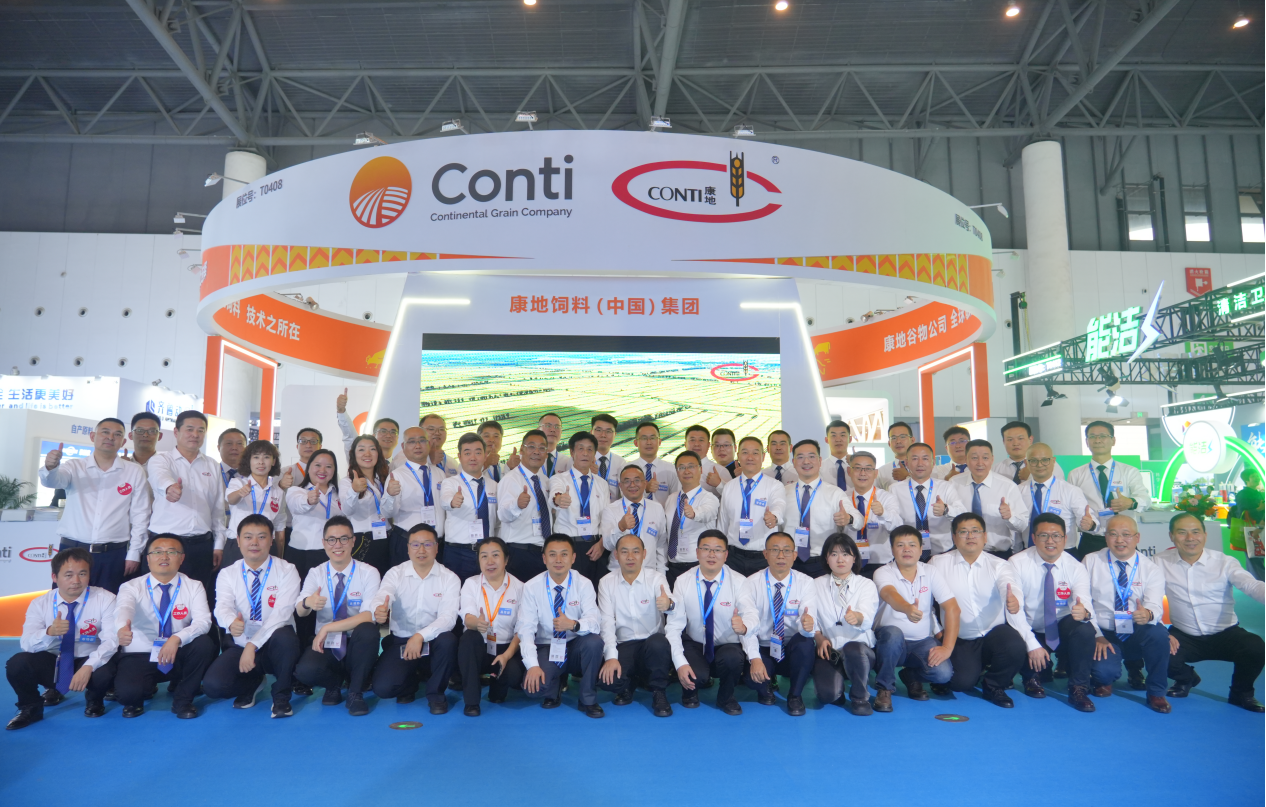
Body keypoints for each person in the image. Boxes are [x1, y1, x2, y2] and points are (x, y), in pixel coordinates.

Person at [1157, 513, 1266, 712]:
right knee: (1156, 647)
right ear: (1171, 536)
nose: (1190, 538)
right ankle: (1186, 678)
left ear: (1205, 535)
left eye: (1196, 532)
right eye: (1182, 532)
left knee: (1255, 646)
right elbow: (1148, 597)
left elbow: (1250, 584)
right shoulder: (1158, 562)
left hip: (1226, 634)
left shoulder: (1225, 562)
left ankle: (1241, 693)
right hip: (1184, 635)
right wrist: (1161, 631)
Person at [6, 548, 119, 729]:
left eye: (82, 574)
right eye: (68, 575)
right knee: (17, 664)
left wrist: (89, 666)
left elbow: (111, 640)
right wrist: (49, 632)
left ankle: (95, 699)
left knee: (104, 670)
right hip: (55, 659)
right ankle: (31, 707)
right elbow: (26, 643)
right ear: (54, 577)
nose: (76, 581)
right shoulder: (40, 603)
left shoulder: (105, 599)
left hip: (89, 657)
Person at [930, 513, 1034, 707]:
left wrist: (1013, 599)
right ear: (954, 537)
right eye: (963, 532)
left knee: (1015, 646)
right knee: (960, 683)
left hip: (993, 632)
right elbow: (926, 603)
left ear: (985, 537)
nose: (970, 536)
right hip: (959, 637)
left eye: (975, 531)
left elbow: (1008, 585)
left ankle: (994, 685)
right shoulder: (938, 563)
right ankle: (973, 670)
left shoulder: (999, 564)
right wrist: (936, 629)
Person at [204, 514, 301, 718]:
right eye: (248, 537)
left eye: (261, 537)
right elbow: (221, 606)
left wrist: (253, 644)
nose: (254, 543)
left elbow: (282, 613)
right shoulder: (228, 573)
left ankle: (281, 696)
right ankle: (253, 682)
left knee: (286, 637)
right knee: (214, 686)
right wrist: (230, 621)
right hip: (240, 642)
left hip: (274, 644)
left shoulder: (287, 570)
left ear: (271, 540)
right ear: (238, 541)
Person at [38, 418, 149, 593]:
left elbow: (141, 515)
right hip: (72, 550)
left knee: (111, 604)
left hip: (113, 554)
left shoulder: (134, 471)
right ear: (92, 436)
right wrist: (50, 467)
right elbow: (53, 481)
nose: (110, 437)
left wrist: (134, 553)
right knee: (66, 602)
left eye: (117, 434)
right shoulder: (75, 466)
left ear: (123, 441)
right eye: (105, 432)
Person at [113, 535, 217, 718]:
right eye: (157, 552)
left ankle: (183, 700)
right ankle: (146, 687)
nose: (164, 557)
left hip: (177, 651)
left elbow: (203, 621)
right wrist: (122, 626)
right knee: (128, 695)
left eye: (172, 552)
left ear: (181, 558)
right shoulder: (131, 586)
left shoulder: (194, 586)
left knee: (204, 644)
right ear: (148, 558)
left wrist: (176, 638)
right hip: (142, 652)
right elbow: (124, 608)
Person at [1082, 515, 1173, 713]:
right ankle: (1104, 678)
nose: (1120, 540)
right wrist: (1097, 634)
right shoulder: (1091, 561)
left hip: (1136, 628)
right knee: (1103, 673)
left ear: (1137, 538)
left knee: (1159, 634)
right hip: (1105, 632)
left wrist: (1148, 614)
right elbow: (1083, 602)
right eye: (1113, 534)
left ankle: (1156, 692)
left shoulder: (1150, 568)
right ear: (1106, 537)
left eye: (1126, 535)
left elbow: (1155, 605)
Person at [294, 515, 383, 716]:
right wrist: (308, 603)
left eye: (344, 539)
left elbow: (369, 615)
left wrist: (327, 627)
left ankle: (355, 693)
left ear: (353, 541)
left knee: (368, 631)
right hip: (327, 643)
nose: (338, 545)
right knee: (305, 671)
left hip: (356, 643)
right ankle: (334, 684)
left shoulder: (368, 572)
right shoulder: (316, 573)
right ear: (323, 542)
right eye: (331, 540)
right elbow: (300, 610)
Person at [1007, 513, 1097, 711]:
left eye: (1056, 535)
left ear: (1065, 538)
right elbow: (1015, 609)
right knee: (1012, 632)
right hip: (1030, 627)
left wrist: (1084, 612)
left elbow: (1084, 601)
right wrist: (1032, 645)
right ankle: (1031, 676)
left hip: (1060, 627)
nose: (1050, 541)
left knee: (1084, 629)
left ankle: (1079, 688)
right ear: (1033, 538)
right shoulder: (1016, 563)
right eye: (1043, 535)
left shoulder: (1075, 566)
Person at [369, 524, 461, 714]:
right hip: (402, 641)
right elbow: (384, 594)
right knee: (383, 689)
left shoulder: (449, 578)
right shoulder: (396, 573)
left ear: (436, 547)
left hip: (433, 642)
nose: (421, 550)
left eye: (427, 544)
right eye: (416, 544)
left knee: (448, 641)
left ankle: (436, 695)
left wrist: (420, 636)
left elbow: (448, 618)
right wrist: (379, 608)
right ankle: (410, 683)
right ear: (408, 548)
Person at [665, 531, 759, 714]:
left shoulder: (739, 581)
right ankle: (690, 692)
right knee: (696, 676)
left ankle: (726, 697)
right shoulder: (683, 581)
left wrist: (744, 626)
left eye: (717, 550)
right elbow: (674, 626)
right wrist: (679, 663)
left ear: (726, 554)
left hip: (726, 644)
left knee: (733, 658)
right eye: (706, 549)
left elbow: (751, 614)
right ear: (697, 552)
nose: (711, 554)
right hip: (695, 643)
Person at [517, 534, 606, 717]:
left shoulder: (584, 584)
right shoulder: (531, 587)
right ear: (544, 558)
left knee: (594, 642)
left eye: (564, 554)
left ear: (573, 558)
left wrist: (573, 624)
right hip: (548, 646)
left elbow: (595, 623)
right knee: (534, 689)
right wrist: (532, 665)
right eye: (552, 554)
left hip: (576, 645)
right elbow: (525, 630)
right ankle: (556, 681)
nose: (558, 560)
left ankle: (588, 699)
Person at [146, 411, 227, 610]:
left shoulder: (212, 465)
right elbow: (159, 477)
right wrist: (169, 488)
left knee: (196, 601)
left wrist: (218, 544)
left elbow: (218, 508)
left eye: (200, 430)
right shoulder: (161, 460)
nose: (195, 434)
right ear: (176, 432)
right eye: (189, 429)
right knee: (160, 599)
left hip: (201, 546)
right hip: (165, 545)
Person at [873, 526, 958, 709]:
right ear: (892, 549)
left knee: (943, 674)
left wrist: (947, 648)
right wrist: (907, 608)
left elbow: (952, 608)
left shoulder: (931, 571)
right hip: (887, 642)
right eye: (900, 545)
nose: (907, 549)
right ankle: (885, 688)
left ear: (921, 549)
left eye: (912, 545)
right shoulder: (883, 572)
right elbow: (889, 593)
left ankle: (910, 676)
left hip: (921, 642)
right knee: (894, 633)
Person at [597, 533, 675, 717]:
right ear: (616, 555)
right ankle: (630, 682)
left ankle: (659, 692)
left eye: (636, 551)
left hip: (652, 644)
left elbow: (673, 605)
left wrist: (669, 605)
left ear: (644, 554)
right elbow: (606, 622)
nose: (630, 557)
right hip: (625, 644)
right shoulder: (606, 582)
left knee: (658, 643)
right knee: (608, 682)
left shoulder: (656, 578)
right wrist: (611, 657)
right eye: (624, 552)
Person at [744, 532, 818, 716]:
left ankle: (795, 695)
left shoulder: (806, 582)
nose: (780, 556)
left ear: (795, 555)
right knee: (753, 680)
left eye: (786, 551)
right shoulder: (751, 583)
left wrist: (807, 625)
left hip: (790, 646)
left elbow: (808, 618)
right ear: (765, 554)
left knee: (806, 643)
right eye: (775, 550)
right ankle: (766, 687)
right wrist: (754, 659)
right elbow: (748, 627)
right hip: (764, 646)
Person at [810, 533, 880, 715]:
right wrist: (818, 636)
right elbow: (810, 617)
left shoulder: (866, 584)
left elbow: (868, 616)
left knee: (852, 648)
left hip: (860, 651)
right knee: (827, 696)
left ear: (854, 558)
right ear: (826, 558)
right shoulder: (815, 585)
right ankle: (838, 688)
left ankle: (860, 698)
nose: (840, 559)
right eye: (834, 554)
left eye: (846, 554)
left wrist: (858, 617)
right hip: (830, 651)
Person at [457, 536, 525, 716]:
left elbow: (522, 629)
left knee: (513, 677)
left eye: (495, 555)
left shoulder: (520, 588)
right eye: (484, 556)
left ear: (506, 559)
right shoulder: (471, 584)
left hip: (506, 648)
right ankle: (472, 702)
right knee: (468, 638)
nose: (490, 561)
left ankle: (498, 684)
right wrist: (477, 623)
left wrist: (506, 655)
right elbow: (467, 617)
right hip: (479, 647)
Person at [1066, 421, 1151, 557]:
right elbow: (1070, 509)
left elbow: (1145, 499)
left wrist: (1131, 502)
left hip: (1123, 538)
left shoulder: (1129, 471)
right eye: (1092, 436)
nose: (1097, 440)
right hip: (1091, 538)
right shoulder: (1076, 475)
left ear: (1113, 440)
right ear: (1087, 442)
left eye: (1103, 436)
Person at [784, 439, 862, 578]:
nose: (806, 461)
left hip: (822, 562)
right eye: (800, 457)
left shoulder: (834, 493)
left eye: (811, 456)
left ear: (820, 461)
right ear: (793, 462)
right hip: (789, 562)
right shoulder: (783, 492)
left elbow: (859, 520)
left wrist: (849, 519)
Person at [948, 439, 1029, 559]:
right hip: (962, 553)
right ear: (966, 459)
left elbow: (1023, 525)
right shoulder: (954, 483)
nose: (980, 463)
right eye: (974, 458)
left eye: (985, 458)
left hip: (997, 554)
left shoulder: (1008, 486)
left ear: (992, 459)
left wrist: (1010, 516)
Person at [719, 436, 786, 575]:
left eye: (755, 453)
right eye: (745, 452)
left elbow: (779, 505)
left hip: (763, 557)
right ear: (738, 456)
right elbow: (723, 523)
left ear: (763, 456)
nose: (750, 457)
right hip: (733, 557)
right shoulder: (729, 486)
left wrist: (774, 516)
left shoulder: (774, 485)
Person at [550, 431, 610, 585]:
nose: (585, 453)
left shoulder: (602, 484)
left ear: (594, 454)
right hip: (568, 546)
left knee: (597, 592)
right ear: (572, 452)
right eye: (581, 448)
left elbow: (607, 519)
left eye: (590, 449)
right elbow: (555, 496)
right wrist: (559, 499)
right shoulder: (559, 479)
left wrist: (602, 544)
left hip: (596, 547)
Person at [1017, 442, 1094, 557]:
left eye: (1045, 460)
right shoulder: (1018, 491)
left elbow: (1088, 519)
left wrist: (1090, 524)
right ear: (1026, 463)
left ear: (1053, 461)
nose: (1039, 465)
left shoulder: (1070, 491)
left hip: (1064, 553)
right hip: (1029, 553)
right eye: (1033, 460)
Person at [440, 433, 500, 582]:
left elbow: (498, 521)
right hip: (458, 552)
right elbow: (445, 500)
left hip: (487, 553)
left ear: (485, 456)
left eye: (478, 453)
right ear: (459, 457)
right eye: (467, 453)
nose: (473, 458)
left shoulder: (494, 485)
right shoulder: (451, 483)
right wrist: (452, 502)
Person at [890, 443, 966, 557]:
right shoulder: (895, 489)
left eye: (925, 459)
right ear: (907, 463)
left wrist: (946, 509)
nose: (920, 463)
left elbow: (963, 514)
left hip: (942, 553)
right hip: (908, 553)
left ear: (933, 463)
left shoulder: (946, 487)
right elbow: (892, 520)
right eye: (915, 459)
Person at [497, 429, 554, 581]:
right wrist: (517, 505)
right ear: (522, 450)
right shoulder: (511, 479)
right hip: (519, 551)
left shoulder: (544, 480)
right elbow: (502, 515)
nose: (536, 452)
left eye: (542, 448)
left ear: (546, 454)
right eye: (531, 447)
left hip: (542, 552)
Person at [339, 435, 397, 575]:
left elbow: (390, 512)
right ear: (354, 454)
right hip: (363, 540)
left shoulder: (383, 479)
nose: (367, 454)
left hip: (387, 537)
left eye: (372, 449)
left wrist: (390, 494)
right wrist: (354, 491)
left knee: (387, 580)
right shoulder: (347, 481)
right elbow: (347, 510)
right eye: (361, 449)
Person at [223, 439, 286, 567]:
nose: (261, 462)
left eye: (266, 457)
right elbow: (230, 499)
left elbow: (280, 527)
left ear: (273, 461)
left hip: (266, 546)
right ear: (249, 461)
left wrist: (279, 557)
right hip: (238, 545)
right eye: (256, 457)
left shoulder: (278, 492)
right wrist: (240, 493)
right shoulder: (238, 483)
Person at [392, 426, 447, 570]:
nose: (417, 445)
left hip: (437, 544)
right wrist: (390, 496)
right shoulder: (397, 475)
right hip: (408, 543)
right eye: (412, 442)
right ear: (403, 447)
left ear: (429, 444)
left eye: (422, 441)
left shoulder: (439, 473)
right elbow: (389, 512)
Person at [664, 451, 720, 587]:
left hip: (697, 565)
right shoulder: (671, 498)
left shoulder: (709, 498)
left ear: (700, 469)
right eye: (682, 467)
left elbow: (708, 512)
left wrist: (694, 513)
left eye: (691, 466)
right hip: (672, 566)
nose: (687, 471)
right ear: (677, 472)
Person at [845, 451, 903, 575]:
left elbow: (898, 526)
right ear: (849, 471)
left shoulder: (887, 498)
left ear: (876, 473)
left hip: (881, 563)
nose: (863, 473)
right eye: (857, 468)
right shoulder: (842, 498)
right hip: (848, 563)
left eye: (868, 469)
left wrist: (883, 513)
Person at [601, 465, 667, 574]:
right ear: (620, 486)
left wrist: (661, 574)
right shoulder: (610, 510)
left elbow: (661, 545)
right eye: (627, 481)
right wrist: (620, 527)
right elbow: (608, 545)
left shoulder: (657, 508)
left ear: (645, 483)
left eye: (637, 480)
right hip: (619, 573)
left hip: (649, 574)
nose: (632, 485)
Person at [996, 421, 1064, 483]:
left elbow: (1059, 487)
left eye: (1020, 438)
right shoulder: (996, 469)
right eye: (1010, 439)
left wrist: (1030, 477)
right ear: (1004, 442)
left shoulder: (1048, 464)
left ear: (1030, 439)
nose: (1016, 443)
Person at [630, 422, 679, 508]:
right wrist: (645, 489)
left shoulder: (671, 469)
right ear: (636, 443)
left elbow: (676, 500)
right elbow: (624, 498)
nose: (649, 442)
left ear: (659, 442)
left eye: (652, 438)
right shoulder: (627, 470)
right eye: (644, 438)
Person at [1233, 468, 1265, 580]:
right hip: (1251, 530)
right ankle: (1260, 583)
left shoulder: (1258, 493)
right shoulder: (1242, 494)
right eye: (1253, 476)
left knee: (1258, 557)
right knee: (1254, 557)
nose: (1257, 478)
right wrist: (1259, 508)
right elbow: (1242, 513)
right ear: (1247, 479)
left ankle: (1257, 582)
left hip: (1260, 529)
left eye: (1257, 476)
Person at [684, 425, 732, 495]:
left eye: (701, 440)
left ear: (708, 445)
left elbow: (733, 497)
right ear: (685, 444)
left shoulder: (720, 470)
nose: (697, 444)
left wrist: (719, 484)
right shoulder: (676, 470)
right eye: (692, 440)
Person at [590, 413, 626, 496]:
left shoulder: (621, 463)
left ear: (615, 435)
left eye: (608, 431)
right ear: (591, 432)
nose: (603, 435)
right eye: (599, 430)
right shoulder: (580, 461)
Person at [877, 422, 915, 490]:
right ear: (889, 443)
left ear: (912, 440)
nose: (898, 441)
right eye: (893, 438)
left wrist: (908, 476)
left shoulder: (926, 467)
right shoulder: (881, 472)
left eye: (902, 437)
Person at [537, 412, 573, 477]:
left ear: (561, 432)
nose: (553, 430)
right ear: (538, 430)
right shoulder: (526, 459)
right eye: (548, 426)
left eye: (557, 427)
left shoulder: (567, 462)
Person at [420, 413, 456, 477]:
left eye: (442, 429)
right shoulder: (407, 457)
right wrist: (429, 459)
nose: (437, 433)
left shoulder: (452, 463)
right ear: (420, 431)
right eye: (431, 429)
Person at [824, 420, 853, 492]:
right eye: (833, 435)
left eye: (842, 435)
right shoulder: (819, 468)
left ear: (850, 439)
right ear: (826, 440)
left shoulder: (858, 467)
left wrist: (856, 464)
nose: (838, 440)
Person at [216, 428, 247, 493]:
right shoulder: (211, 473)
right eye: (229, 443)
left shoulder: (253, 476)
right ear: (219, 448)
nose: (234, 448)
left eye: (239, 443)